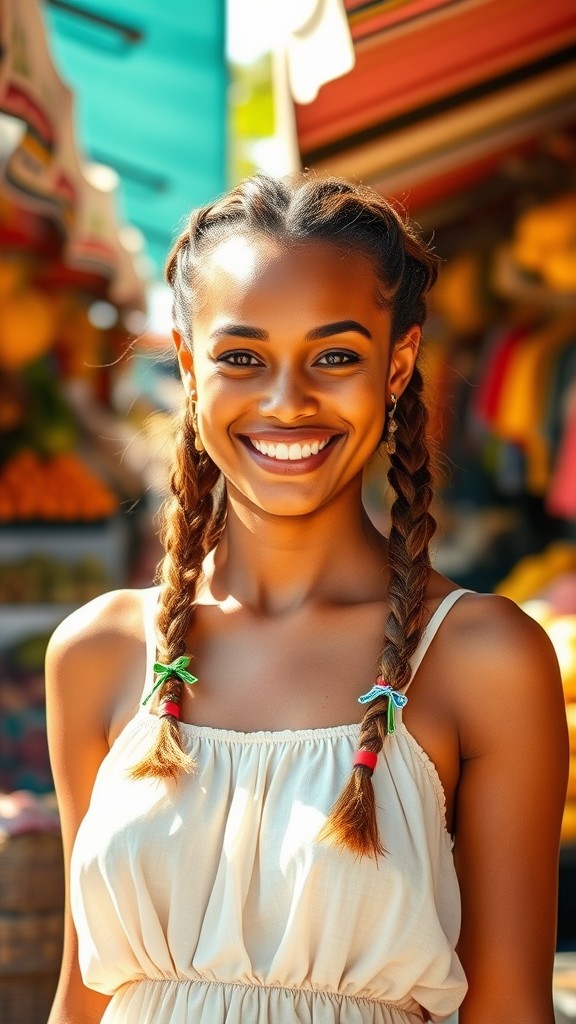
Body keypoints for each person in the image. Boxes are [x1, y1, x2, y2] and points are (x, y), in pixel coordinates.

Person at [46, 173, 568, 1024]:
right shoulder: (99, 653)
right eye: (241, 357)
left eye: (334, 356)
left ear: (396, 366)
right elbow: (82, 997)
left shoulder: (485, 659)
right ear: (187, 364)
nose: (288, 402)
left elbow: (510, 1008)